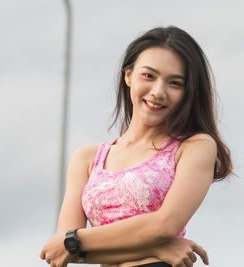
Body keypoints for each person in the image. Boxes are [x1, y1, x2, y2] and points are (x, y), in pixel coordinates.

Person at [40, 26, 232, 267]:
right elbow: (62, 250)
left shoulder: (195, 146)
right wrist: (158, 248)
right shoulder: (87, 157)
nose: (158, 92)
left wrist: (77, 241)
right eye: (148, 76)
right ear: (128, 76)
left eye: (174, 83)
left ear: (188, 92)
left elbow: (164, 225)